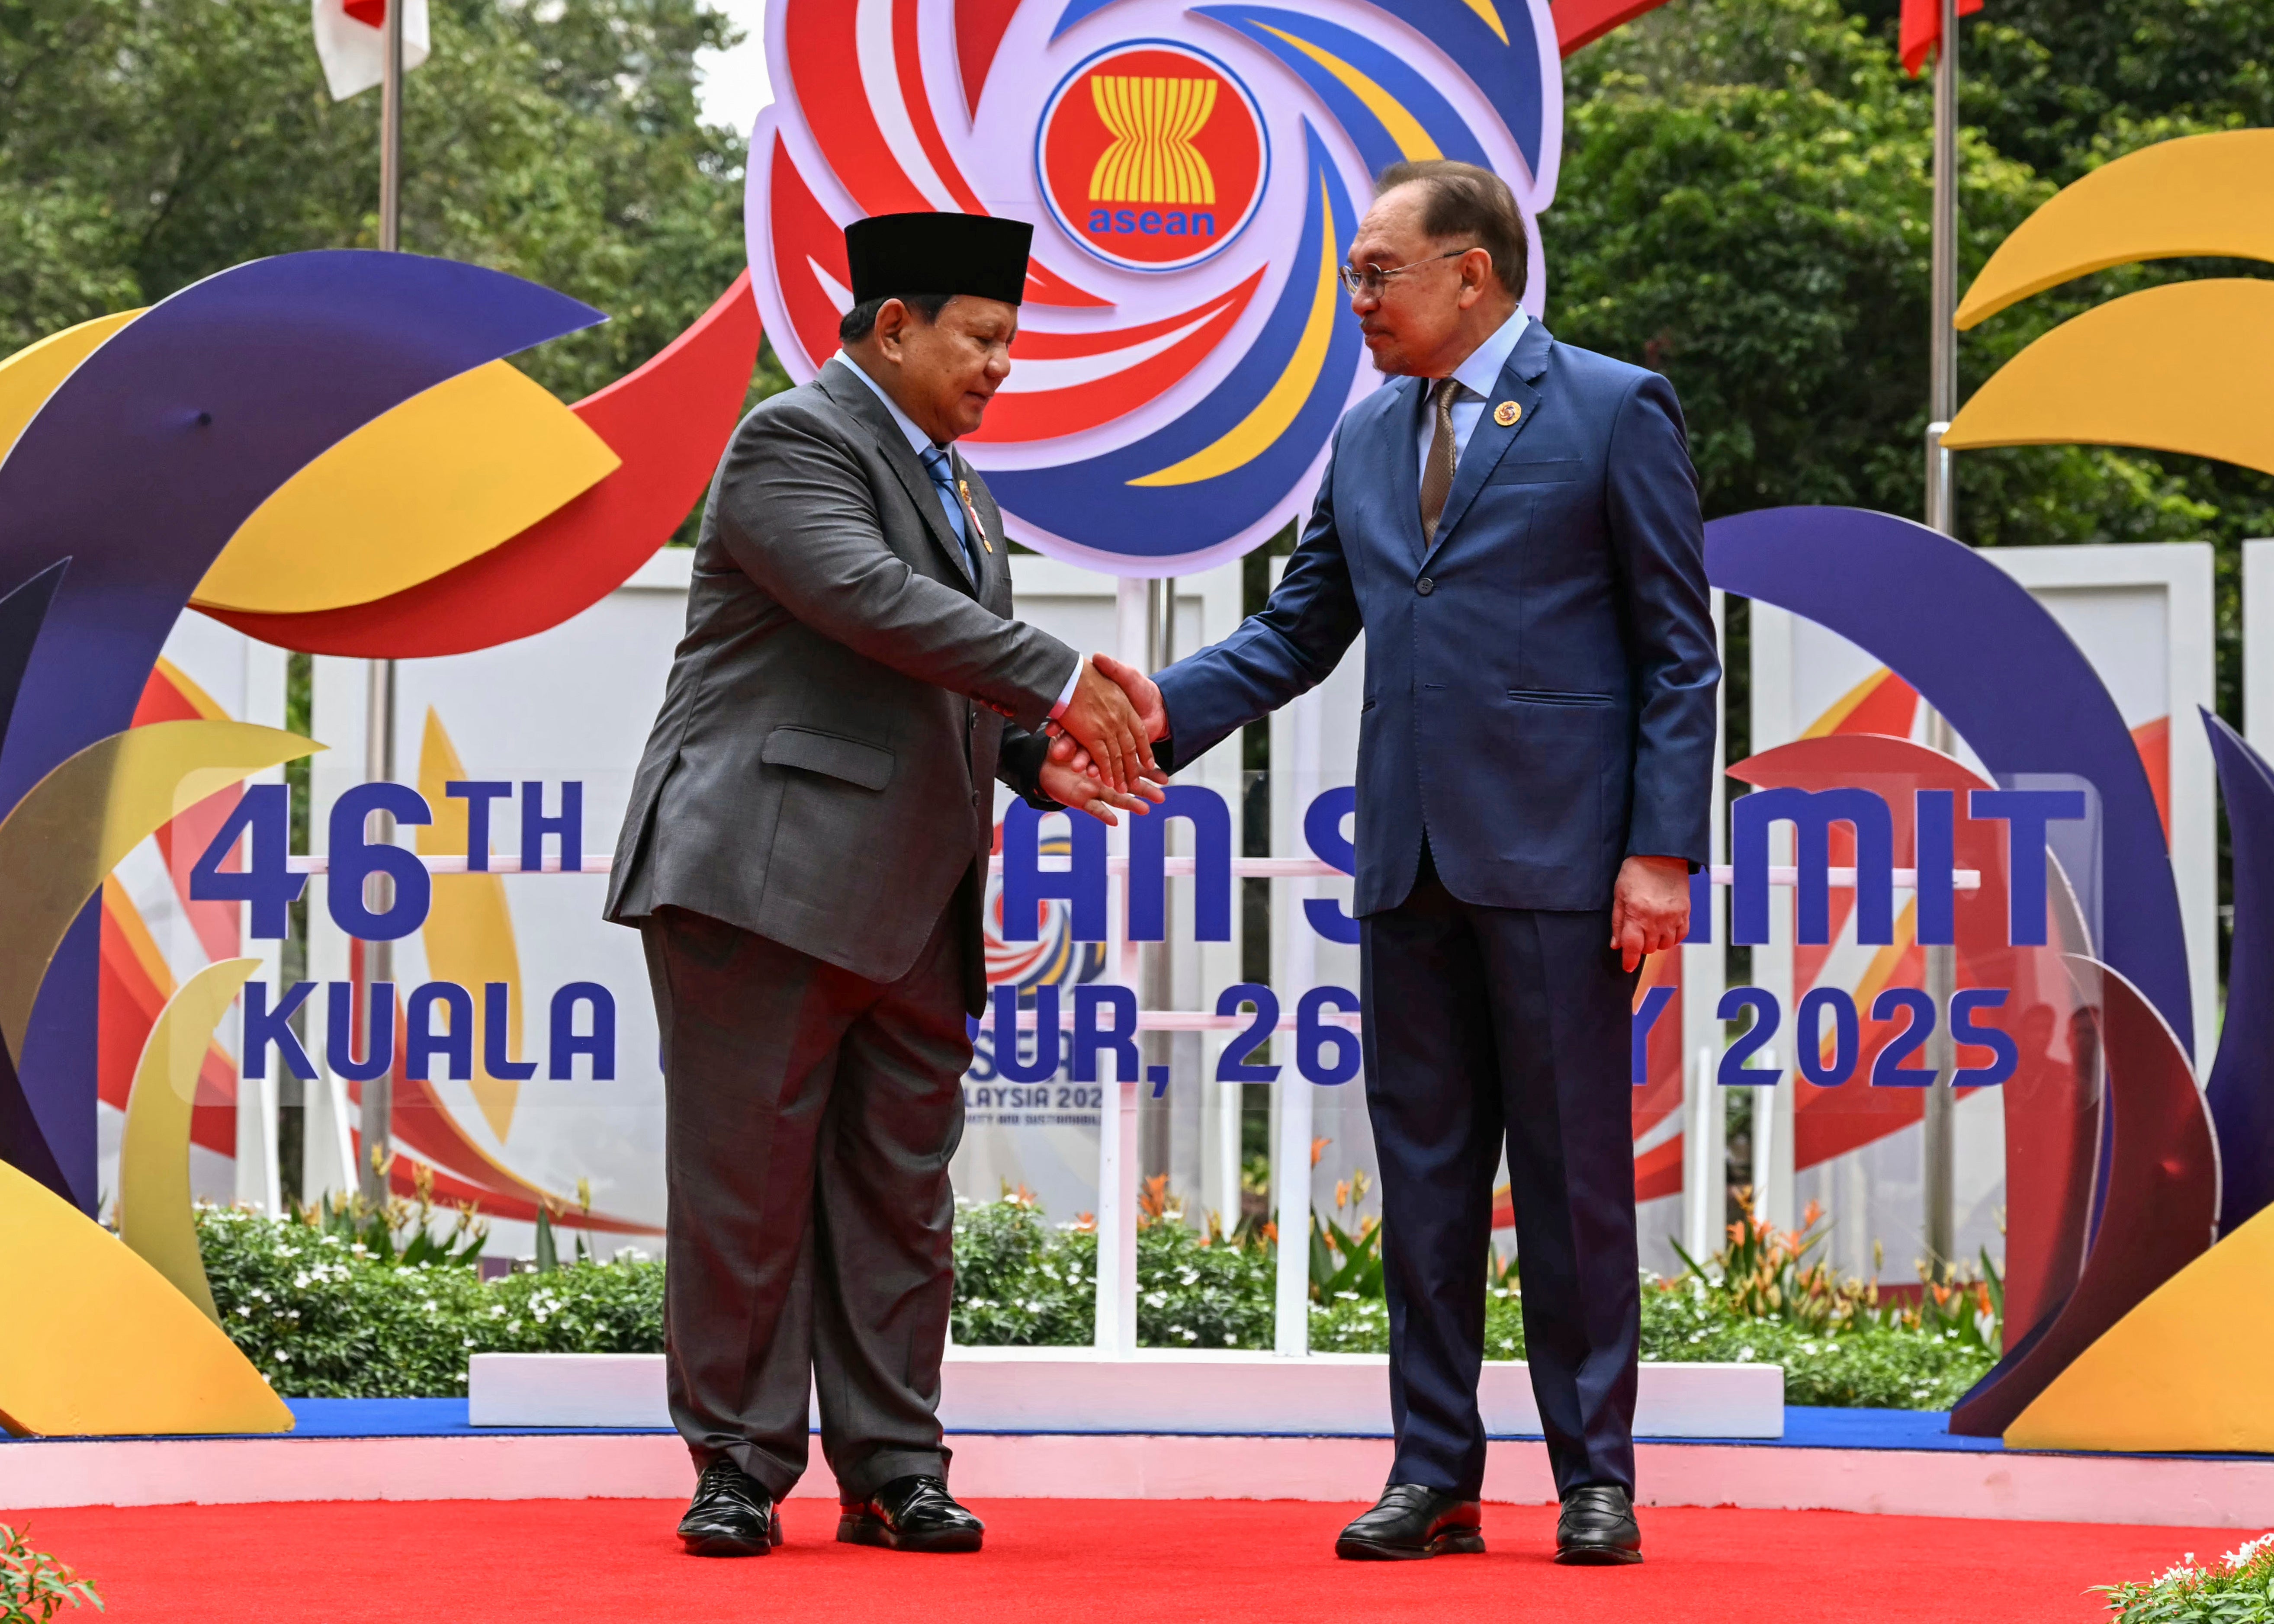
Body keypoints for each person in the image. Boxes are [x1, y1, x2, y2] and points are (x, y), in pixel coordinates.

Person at [1075, 160, 1718, 1564]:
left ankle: (1593, 1476)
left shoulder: (1613, 408)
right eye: (1354, 275)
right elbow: (1298, 632)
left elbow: (1679, 650)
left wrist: (1660, 852)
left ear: (1471, 273)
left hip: (1563, 864)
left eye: (1378, 271)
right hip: (1409, 865)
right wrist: (1148, 715)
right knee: (1426, 1184)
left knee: (1569, 1181)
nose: (1355, 296)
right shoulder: (1366, 437)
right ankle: (1433, 1471)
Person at [604, 211, 1159, 1558]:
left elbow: (929, 673)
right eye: (982, 338)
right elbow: (863, 597)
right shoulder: (793, 441)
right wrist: (1059, 679)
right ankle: (738, 1465)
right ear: (893, 326)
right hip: (762, 878)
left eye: (1012, 342)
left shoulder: (961, 484)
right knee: (748, 1187)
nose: (1001, 367)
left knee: (901, 1194)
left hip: (913, 894)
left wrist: (1037, 761)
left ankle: (896, 1465)